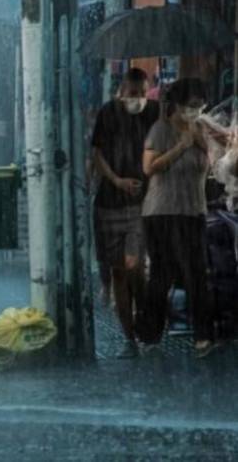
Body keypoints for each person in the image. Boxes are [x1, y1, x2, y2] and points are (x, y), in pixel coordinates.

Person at [141, 78, 217, 358]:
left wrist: (203, 144)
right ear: (178, 105)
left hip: (194, 210)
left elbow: (209, 166)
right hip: (163, 211)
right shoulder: (161, 130)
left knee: (197, 273)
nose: (196, 111)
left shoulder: (200, 129)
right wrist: (181, 147)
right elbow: (149, 167)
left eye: (200, 105)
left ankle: (203, 337)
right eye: (192, 106)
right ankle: (150, 334)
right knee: (163, 275)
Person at [90, 67, 160, 358]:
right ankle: (129, 337)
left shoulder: (156, 112)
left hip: (144, 201)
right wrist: (117, 180)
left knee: (136, 267)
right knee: (120, 271)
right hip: (111, 201)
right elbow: (96, 153)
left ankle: (145, 320)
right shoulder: (108, 113)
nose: (138, 99)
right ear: (122, 91)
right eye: (133, 94)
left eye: (142, 94)